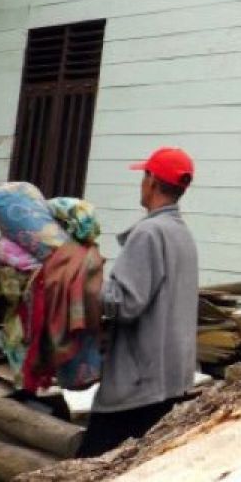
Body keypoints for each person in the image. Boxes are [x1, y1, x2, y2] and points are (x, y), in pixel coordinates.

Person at [77, 147, 199, 458]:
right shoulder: (180, 233)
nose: (140, 183)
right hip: (172, 379)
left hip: (139, 383)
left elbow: (124, 303)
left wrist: (81, 280)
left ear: (152, 181)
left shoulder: (148, 233)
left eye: (144, 175)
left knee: (90, 466)